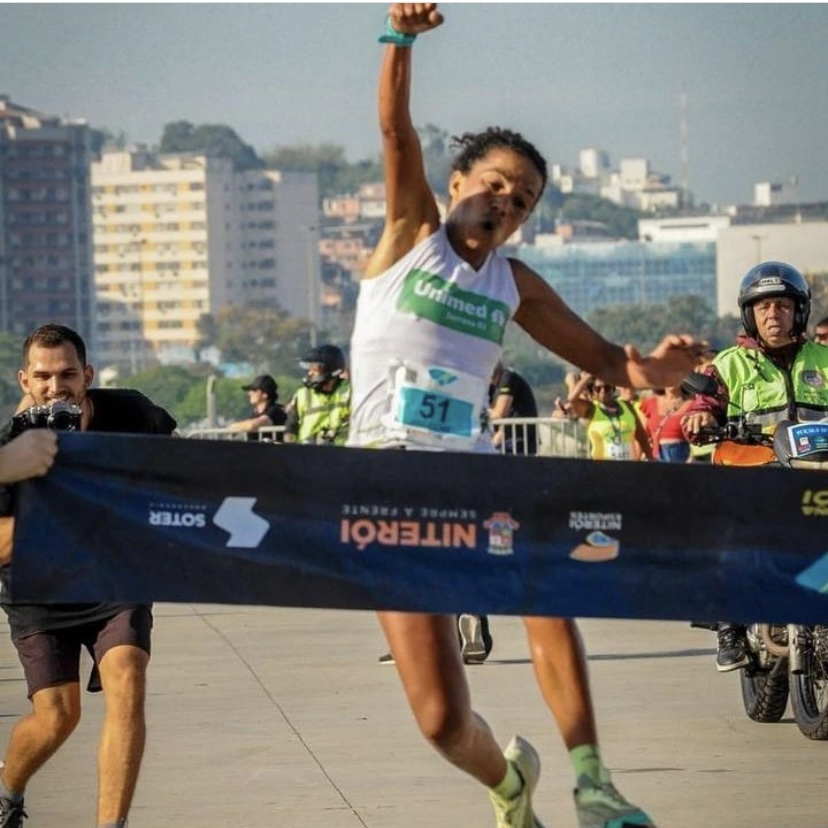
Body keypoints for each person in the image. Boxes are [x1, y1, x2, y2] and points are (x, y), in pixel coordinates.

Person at [346, 6, 705, 827]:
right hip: (385, 487)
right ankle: (511, 785)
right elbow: (395, 130)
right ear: (458, 184)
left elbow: (609, 361)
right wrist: (399, 39)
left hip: (476, 475)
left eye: (525, 198)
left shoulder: (516, 284)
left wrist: (659, 372)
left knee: (543, 585)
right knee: (441, 721)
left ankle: (594, 782)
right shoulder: (411, 235)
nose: (507, 201)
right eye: (497, 183)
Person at [0, 323, 177, 828]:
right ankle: (8, 791)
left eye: (67, 375)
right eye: (43, 377)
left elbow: (183, 467)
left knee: (128, 677)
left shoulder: (133, 414)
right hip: (38, 589)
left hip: (115, 579)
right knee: (57, 717)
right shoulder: (11, 446)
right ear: (24, 381)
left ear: (88, 375)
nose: (56, 387)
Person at [682, 261, 828, 671]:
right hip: (753, 468)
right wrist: (701, 416)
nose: (773, 315)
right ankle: (729, 628)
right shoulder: (729, 364)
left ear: (799, 311)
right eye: (763, 307)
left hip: (816, 469)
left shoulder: (824, 359)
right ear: (750, 314)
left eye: (782, 306)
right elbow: (703, 400)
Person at [566, 374, 652, 461]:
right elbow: (572, 399)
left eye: (607, 387)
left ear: (613, 388)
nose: (603, 391)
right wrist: (587, 377)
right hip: (603, 467)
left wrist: (650, 458)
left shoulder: (627, 406)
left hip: (628, 465)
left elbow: (641, 435)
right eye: (598, 389)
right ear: (593, 391)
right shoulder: (591, 410)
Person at [284, 344, 351, 445]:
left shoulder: (349, 392)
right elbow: (291, 427)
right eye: (309, 369)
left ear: (331, 370)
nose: (310, 373)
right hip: (307, 452)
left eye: (315, 370)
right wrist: (289, 447)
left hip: (342, 452)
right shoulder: (302, 395)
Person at [489, 361, 538, 455]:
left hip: (519, 441)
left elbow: (499, 414)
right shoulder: (491, 387)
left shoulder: (507, 377)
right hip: (506, 439)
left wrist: (482, 413)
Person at [638, 386, 693, 462]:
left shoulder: (692, 404)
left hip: (681, 455)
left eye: (674, 379)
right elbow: (641, 434)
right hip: (656, 455)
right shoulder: (650, 403)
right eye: (668, 379)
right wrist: (638, 459)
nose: (671, 382)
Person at [229, 373, 287, 441]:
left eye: (254, 390)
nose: (249, 393)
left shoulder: (275, 411)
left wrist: (234, 426)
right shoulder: (255, 414)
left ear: (265, 394)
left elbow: (252, 425)